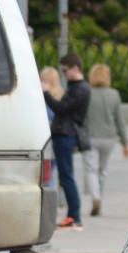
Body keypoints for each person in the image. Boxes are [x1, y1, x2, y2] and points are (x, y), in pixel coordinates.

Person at [44, 52, 91, 230]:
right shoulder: (76, 87)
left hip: (66, 135)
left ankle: (74, 217)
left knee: (66, 178)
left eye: (65, 70)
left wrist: (46, 93)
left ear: (75, 69)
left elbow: (62, 108)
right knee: (65, 177)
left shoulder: (80, 89)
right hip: (64, 135)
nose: (63, 74)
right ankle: (73, 216)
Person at [82, 63, 128, 217]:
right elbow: (120, 121)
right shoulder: (114, 94)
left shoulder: (87, 93)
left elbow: (81, 118)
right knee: (102, 170)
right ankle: (100, 201)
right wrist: (125, 143)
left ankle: (95, 197)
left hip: (91, 137)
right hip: (109, 139)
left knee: (90, 169)